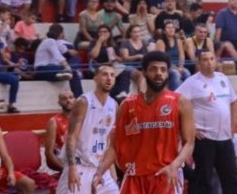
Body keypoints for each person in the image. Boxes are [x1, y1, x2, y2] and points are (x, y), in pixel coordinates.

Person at [93, 51, 195, 192]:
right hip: (134, 177)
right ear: (145, 72)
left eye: (163, 70)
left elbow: (189, 143)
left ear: (167, 74)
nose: (159, 73)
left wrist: (175, 165)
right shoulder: (127, 105)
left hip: (165, 175)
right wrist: (100, 172)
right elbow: (114, 146)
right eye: (153, 69)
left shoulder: (180, 102)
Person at [177, 50, 237, 194]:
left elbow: (234, 101)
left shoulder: (223, 78)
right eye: (205, 60)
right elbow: (175, 103)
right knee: (203, 181)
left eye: (212, 59)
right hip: (205, 139)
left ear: (216, 60)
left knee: (232, 180)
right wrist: (190, 128)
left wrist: (232, 127)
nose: (209, 63)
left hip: (225, 139)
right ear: (199, 63)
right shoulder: (192, 82)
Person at [59, 65, 119, 194]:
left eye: (112, 75)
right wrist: (72, 167)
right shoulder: (84, 101)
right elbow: (71, 136)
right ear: (95, 78)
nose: (109, 78)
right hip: (80, 166)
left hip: (100, 169)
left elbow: (110, 144)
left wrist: (112, 173)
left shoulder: (114, 105)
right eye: (104, 74)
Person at [44, 90, 74, 173]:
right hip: (64, 162)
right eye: (64, 98)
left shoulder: (82, 119)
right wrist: (66, 170)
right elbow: (49, 153)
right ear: (59, 103)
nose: (68, 100)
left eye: (71, 97)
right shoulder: (54, 121)